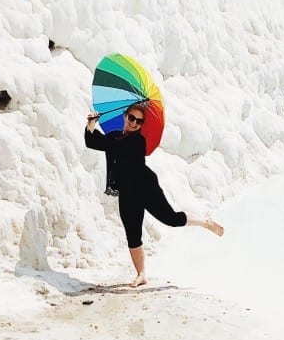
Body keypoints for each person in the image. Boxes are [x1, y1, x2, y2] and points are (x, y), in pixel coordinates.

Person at [85, 103, 223, 287]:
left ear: (141, 125)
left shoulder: (137, 141)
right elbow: (92, 142)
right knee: (132, 234)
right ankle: (141, 274)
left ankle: (204, 222)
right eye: (132, 118)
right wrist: (91, 124)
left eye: (139, 121)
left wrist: (103, 137)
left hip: (145, 187)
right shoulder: (114, 137)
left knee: (171, 219)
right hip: (127, 191)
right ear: (125, 116)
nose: (134, 123)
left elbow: (115, 146)